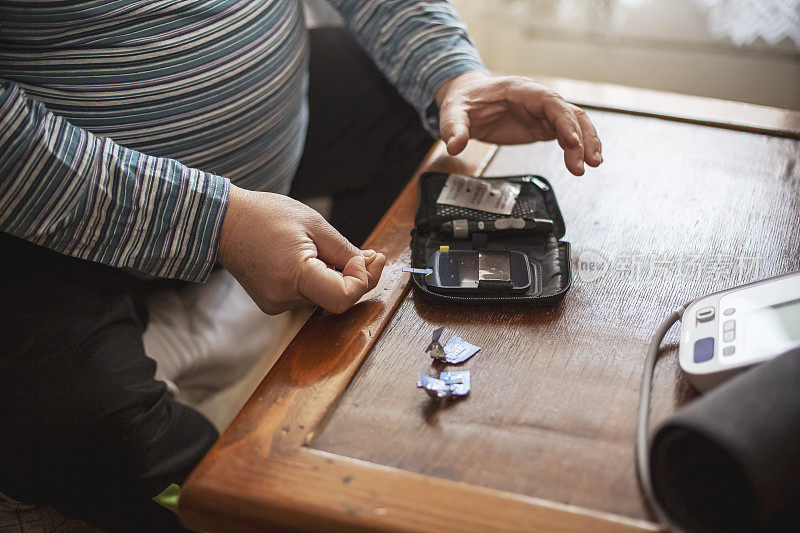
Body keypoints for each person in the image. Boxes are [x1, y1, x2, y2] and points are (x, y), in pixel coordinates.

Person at [0, 1, 602, 531]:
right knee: (89, 435)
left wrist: (450, 69)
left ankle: (314, 308)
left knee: (413, 115)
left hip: (281, 145)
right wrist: (217, 221)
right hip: (41, 219)